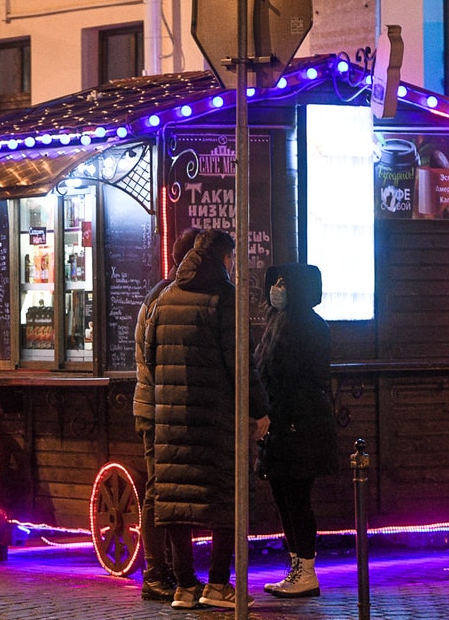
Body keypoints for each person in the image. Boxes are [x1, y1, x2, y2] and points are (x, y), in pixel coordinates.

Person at [144, 229, 271, 610]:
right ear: (223, 258)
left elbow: (149, 357)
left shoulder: (165, 297)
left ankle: (185, 586)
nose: (233, 265)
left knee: (176, 501)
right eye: (232, 258)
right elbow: (241, 363)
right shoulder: (225, 299)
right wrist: (259, 409)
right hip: (216, 419)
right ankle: (217, 584)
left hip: (170, 417)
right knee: (227, 498)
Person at [254, 263, 337, 598]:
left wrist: (271, 412)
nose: (276, 288)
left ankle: (305, 569)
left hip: (298, 423)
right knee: (285, 495)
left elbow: (287, 376)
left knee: (296, 497)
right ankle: (297, 567)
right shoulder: (282, 321)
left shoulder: (304, 325)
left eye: (283, 283)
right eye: (275, 282)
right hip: (286, 422)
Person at [132, 226, 200, 601]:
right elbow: (155, 359)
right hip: (159, 407)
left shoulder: (160, 294)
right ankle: (156, 571)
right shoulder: (165, 298)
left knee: (164, 489)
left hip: (157, 404)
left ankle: (167, 571)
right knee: (159, 490)